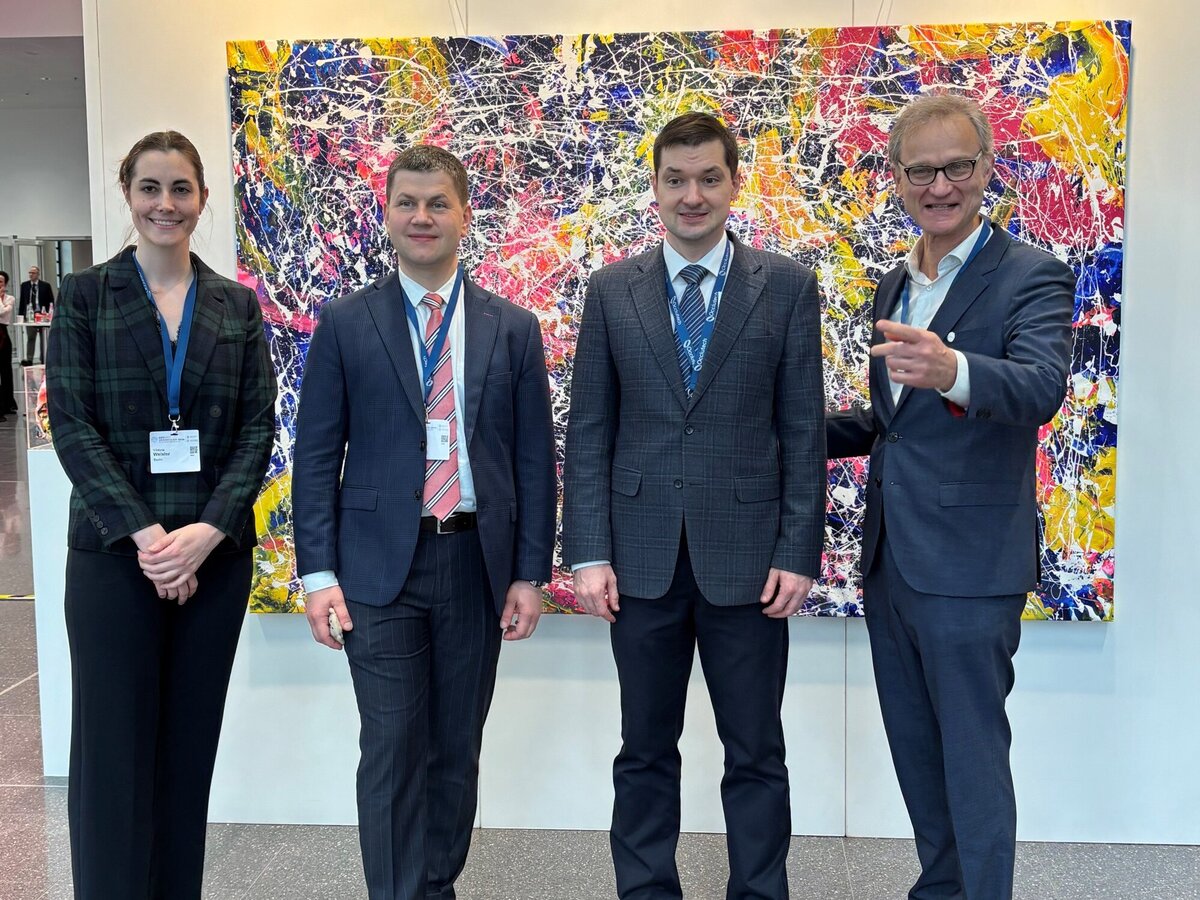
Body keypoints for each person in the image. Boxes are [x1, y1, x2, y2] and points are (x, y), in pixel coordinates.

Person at [562, 112, 827, 900]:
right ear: (653, 187)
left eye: (709, 178)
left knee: (756, 752)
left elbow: (802, 430)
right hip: (639, 561)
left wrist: (798, 551)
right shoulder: (611, 290)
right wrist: (588, 550)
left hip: (750, 563)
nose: (692, 195)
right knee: (644, 751)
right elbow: (590, 430)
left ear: (735, 183)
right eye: (676, 179)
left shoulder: (786, 286)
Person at [826, 94, 1075, 900]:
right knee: (919, 757)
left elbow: (1039, 388)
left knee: (971, 760)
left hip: (970, 568)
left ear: (987, 168)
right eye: (922, 170)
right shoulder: (893, 284)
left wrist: (954, 370)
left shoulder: (1032, 274)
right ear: (896, 177)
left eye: (958, 167)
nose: (941, 186)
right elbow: (892, 425)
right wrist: (785, 427)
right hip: (892, 564)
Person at [292, 144, 557, 900]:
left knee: (454, 751)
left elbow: (535, 461)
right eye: (406, 202)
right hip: (378, 571)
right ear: (386, 215)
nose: (422, 216)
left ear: (465, 214)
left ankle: (434, 886)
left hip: (475, 566)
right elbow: (316, 456)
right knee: (391, 747)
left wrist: (529, 574)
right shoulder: (346, 322)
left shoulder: (513, 328)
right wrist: (318, 575)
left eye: (438, 202)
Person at [45, 130, 277, 900]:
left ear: (202, 198)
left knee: (186, 755)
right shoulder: (85, 297)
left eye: (181, 188)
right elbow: (72, 425)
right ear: (128, 194)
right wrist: (150, 538)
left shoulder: (236, 305)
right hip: (115, 558)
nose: (165, 204)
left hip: (215, 562)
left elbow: (256, 431)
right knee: (111, 758)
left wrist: (205, 535)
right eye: (150, 187)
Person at [18, 264, 54, 364]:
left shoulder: (45, 286)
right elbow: (22, 301)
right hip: (30, 314)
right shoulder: (24, 285)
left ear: (38, 274)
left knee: (44, 338)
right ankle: (29, 359)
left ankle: (44, 358)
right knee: (31, 337)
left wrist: (50, 314)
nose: (31, 275)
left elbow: (51, 301)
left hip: (42, 314)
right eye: (30, 273)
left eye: (33, 273)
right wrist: (21, 316)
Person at [0, 270, 14, 418]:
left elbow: (3, 314)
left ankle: (8, 403)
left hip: (3, 334)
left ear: (5, 284)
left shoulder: (10, 298)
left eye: (1, 282)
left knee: (6, 370)